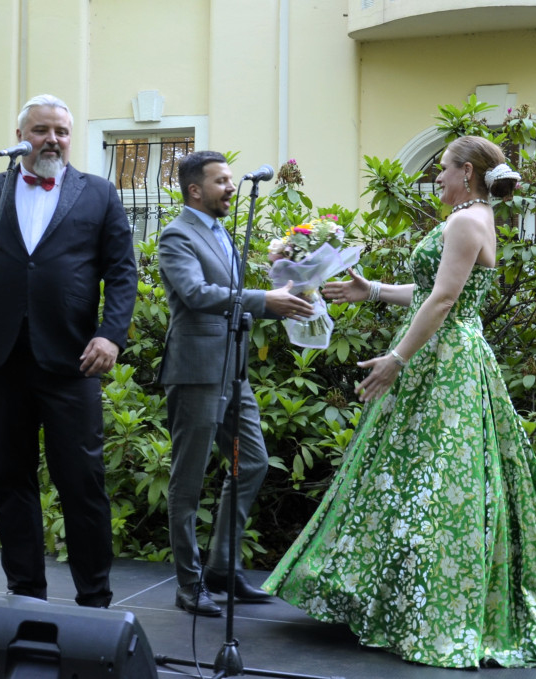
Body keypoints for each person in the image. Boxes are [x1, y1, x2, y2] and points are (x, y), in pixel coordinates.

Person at [262, 136, 536, 667]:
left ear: (468, 172)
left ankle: (435, 610)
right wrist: (376, 290)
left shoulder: (463, 221)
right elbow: (437, 288)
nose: (437, 177)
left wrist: (397, 359)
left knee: (439, 478)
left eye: (444, 169)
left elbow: (444, 298)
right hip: (452, 353)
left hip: (446, 360)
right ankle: (401, 600)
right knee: (424, 476)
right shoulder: (476, 217)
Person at [0, 94, 137, 607]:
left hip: (73, 359)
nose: (53, 140)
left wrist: (111, 333)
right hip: (4, 357)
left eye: (61, 130)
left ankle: (95, 597)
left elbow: (122, 272)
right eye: (41, 130)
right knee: (12, 480)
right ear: (21, 137)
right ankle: (26, 593)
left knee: (82, 482)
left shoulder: (100, 193)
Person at [158, 150, 314, 616]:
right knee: (187, 483)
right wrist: (264, 301)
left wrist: (284, 274)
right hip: (196, 371)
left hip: (234, 369)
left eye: (230, 179)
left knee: (253, 464)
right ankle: (189, 585)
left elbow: (229, 290)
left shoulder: (221, 232)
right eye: (221, 181)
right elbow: (196, 295)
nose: (230, 187)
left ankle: (223, 567)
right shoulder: (176, 235)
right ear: (194, 190)